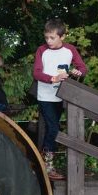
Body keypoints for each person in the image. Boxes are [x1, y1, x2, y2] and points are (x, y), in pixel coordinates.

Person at [32, 19, 87, 179]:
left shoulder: (70, 50)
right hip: (45, 96)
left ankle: (42, 161)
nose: (48, 41)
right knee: (53, 128)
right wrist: (53, 79)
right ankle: (47, 165)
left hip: (63, 96)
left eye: (52, 38)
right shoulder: (42, 50)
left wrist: (77, 72)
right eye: (46, 37)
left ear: (62, 37)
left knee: (52, 129)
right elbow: (36, 73)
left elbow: (82, 68)